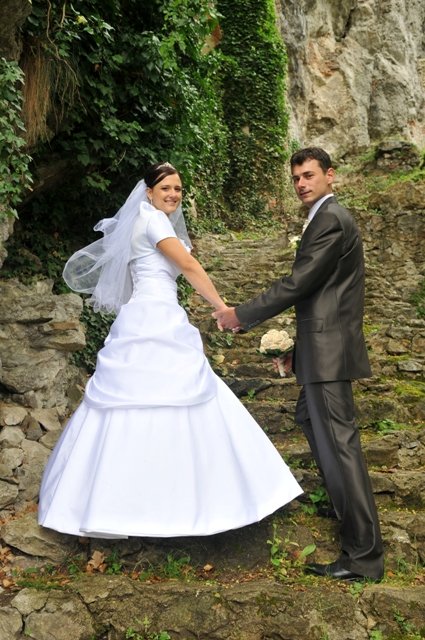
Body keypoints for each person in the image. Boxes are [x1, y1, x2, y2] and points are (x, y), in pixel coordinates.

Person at [38, 162, 302, 539]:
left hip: (143, 314)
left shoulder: (141, 222)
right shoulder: (155, 222)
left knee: (143, 400)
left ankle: (116, 502)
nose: (174, 194)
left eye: (178, 189)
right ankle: (189, 502)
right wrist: (223, 307)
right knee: (179, 395)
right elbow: (188, 265)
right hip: (156, 317)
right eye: (166, 188)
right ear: (149, 192)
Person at [213, 147, 384, 581]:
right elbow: (321, 294)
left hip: (330, 355)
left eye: (309, 175)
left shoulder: (331, 219)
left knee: (341, 448)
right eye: (296, 178)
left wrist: (240, 314)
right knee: (312, 423)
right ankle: (349, 520)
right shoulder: (322, 218)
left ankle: (363, 557)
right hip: (320, 350)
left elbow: (300, 283)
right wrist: (300, 349)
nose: (301, 184)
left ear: (331, 175)